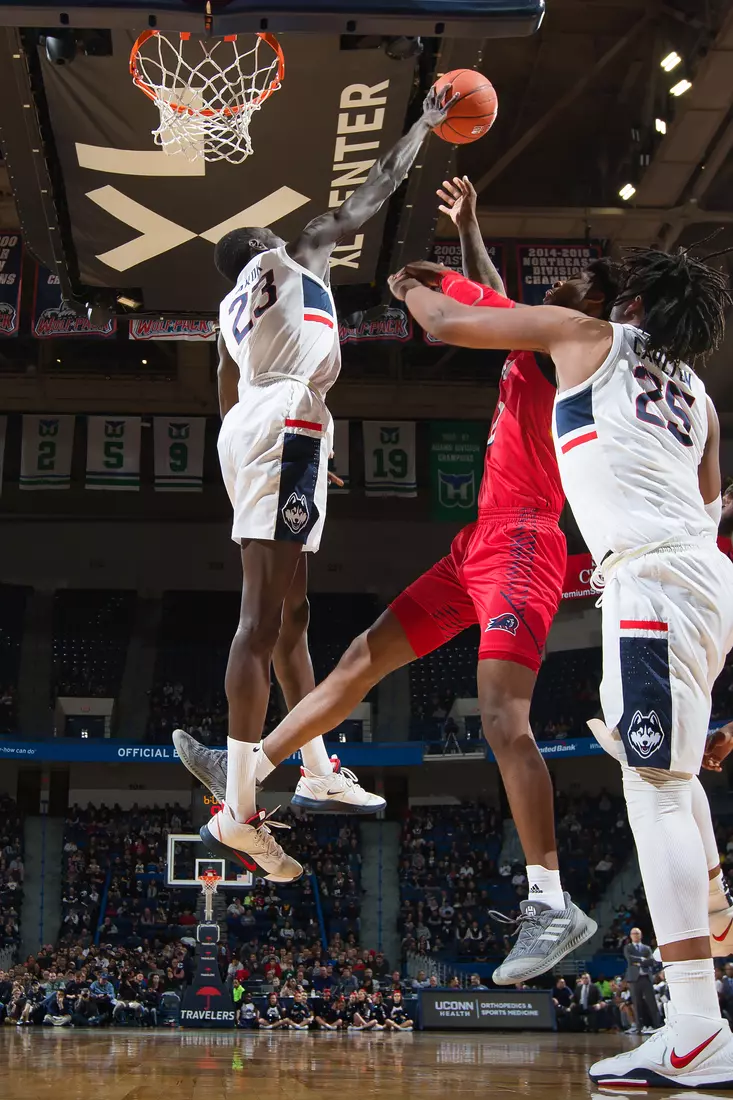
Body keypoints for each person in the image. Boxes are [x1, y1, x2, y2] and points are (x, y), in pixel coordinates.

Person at [172, 177, 619, 983]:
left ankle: (551, 900)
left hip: (525, 542)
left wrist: (414, 283)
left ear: (591, 309)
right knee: (358, 658)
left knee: (502, 718)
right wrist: (470, 228)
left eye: (575, 286)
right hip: (477, 543)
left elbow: (462, 315)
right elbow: (495, 303)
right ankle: (249, 773)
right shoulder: (536, 339)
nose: (556, 291)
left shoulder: (574, 350)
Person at [393, 240, 733, 1087]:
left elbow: (450, 321)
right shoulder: (698, 399)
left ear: (635, 308)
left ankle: (697, 1030)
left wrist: (406, 287)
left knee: (652, 789)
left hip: (648, 582)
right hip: (700, 582)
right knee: (650, 758)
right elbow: (707, 515)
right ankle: (713, 902)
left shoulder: (587, 336)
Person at [175, 84, 458, 882]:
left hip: (259, 427)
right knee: (261, 619)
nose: (285, 231)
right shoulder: (293, 256)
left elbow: (226, 393)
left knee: (292, 616)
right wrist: (422, 126)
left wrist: (274, 453)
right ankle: (238, 804)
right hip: (285, 422)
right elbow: (371, 193)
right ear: (261, 246)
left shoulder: (230, 312)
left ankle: (317, 766)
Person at [624, 927, 662, 1034]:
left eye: (637, 933)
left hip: (646, 978)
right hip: (634, 979)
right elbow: (629, 959)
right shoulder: (628, 947)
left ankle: (657, 1025)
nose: (635, 935)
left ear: (641, 935)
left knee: (651, 1002)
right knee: (637, 1003)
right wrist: (642, 959)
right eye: (633, 933)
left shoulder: (647, 948)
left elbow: (651, 961)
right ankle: (639, 1027)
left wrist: (637, 962)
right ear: (630, 936)